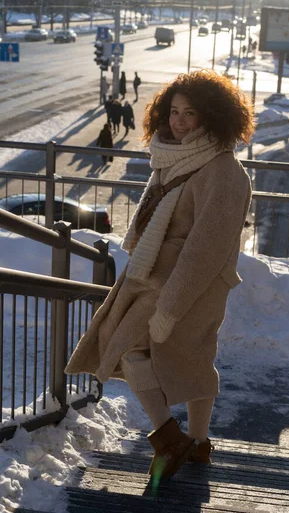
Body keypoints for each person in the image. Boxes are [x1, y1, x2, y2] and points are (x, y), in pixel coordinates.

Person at [65, 69, 254, 480]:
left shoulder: (223, 171)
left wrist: (170, 307)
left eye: (190, 113)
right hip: (152, 277)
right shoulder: (172, 160)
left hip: (193, 286)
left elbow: (206, 248)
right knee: (134, 349)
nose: (179, 121)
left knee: (189, 357)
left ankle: (189, 441)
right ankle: (180, 439)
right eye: (173, 112)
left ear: (213, 117)